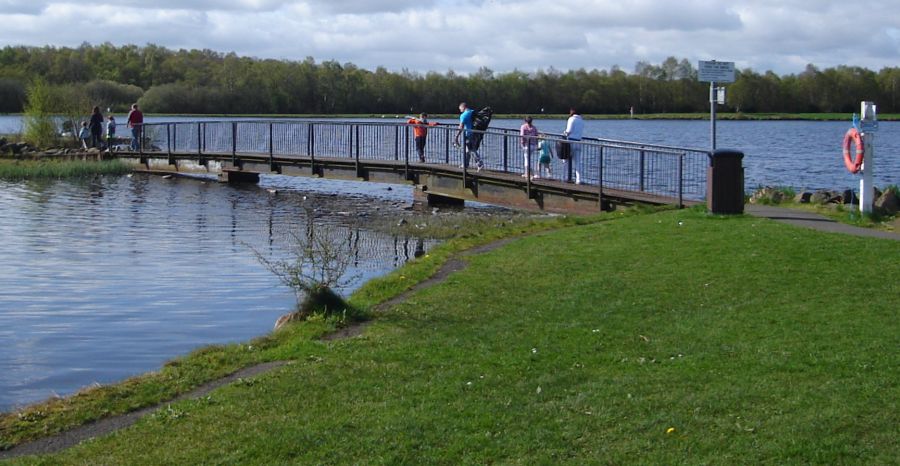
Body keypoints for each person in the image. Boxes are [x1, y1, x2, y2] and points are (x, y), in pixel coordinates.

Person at [453, 102, 484, 171]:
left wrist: (456, 136)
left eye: (460, 109)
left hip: (469, 134)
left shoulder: (463, 115)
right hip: (476, 133)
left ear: (463, 107)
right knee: (467, 149)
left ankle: (480, 163)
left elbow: (461, 127)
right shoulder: (472, 112)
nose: (460, 110)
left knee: (471, 150)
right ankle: (465, 164)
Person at [563, 108, 585, 184]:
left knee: (566, 160)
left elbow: (569, 131)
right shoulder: (581, 120)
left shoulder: (571, 119)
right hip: (578, 142)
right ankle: (578, 179)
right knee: (578, 162)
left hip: (570, 141)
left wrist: (565, 132)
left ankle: (565, 177)